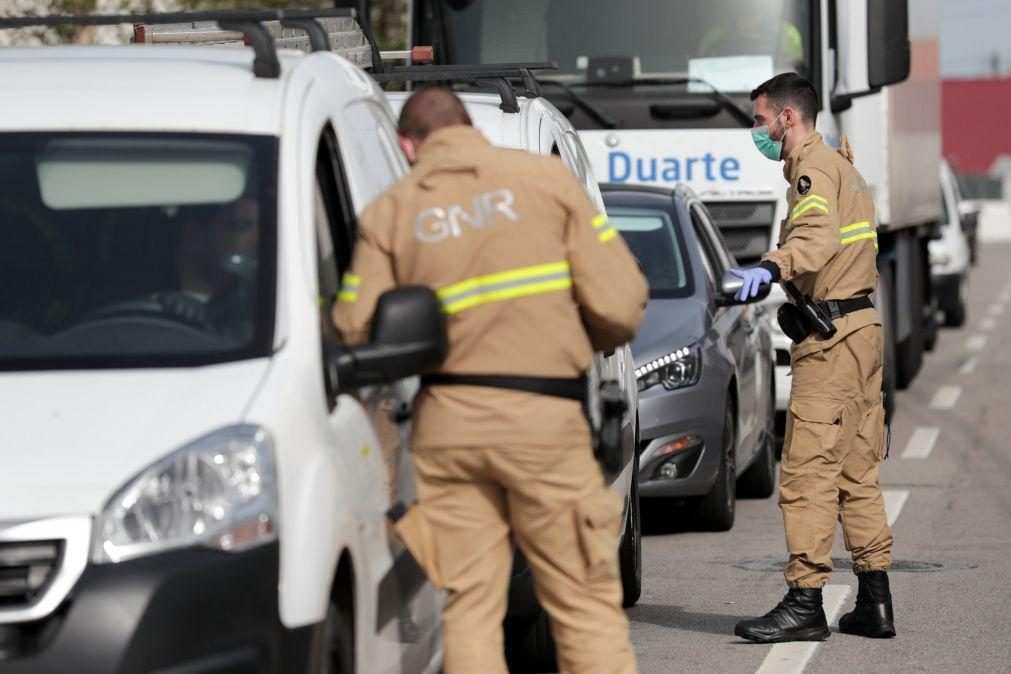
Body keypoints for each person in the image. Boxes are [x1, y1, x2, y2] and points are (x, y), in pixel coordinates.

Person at [333, 86, 646, 673]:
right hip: (546, 423)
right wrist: (574, 343)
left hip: (449, 430)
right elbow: (622, 304)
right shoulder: (548, 183)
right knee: (582, 603)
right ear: (469, 130)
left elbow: (355, 327)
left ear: (408, 143)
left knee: (471, 606)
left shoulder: (390, 211)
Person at [730, 73, 896, 643]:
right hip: (861, 330)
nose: (757, 131)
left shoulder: (813, 171)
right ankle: (874, 601)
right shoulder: (845, 166)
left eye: (758, 120)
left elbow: (816, 238)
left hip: (832, 344)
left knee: (807, 473)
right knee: (856, 470)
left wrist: (771, 267)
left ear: (786, 118)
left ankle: (805, 602)